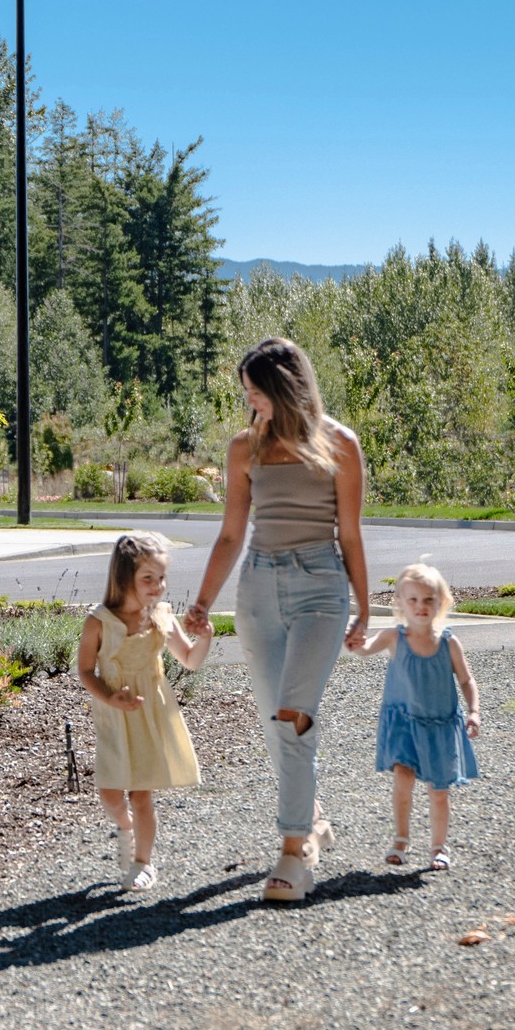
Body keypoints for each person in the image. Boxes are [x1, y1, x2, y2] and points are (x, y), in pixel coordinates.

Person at [184, 337, 371, 902]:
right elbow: (231, 533)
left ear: (285, 390)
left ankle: (295, 855)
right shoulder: (245, 448)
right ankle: (311, 816)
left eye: (257, 393)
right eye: (247, 394)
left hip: (320, 588)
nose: (251, 403)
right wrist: (201, 602)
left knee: (292, 717)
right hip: (258, 589)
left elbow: (352, 535)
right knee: (275, 722)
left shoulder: (341, 444)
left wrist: (364, 607)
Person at [77, 531, 210, 892]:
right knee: (110, 792)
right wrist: (110, 698)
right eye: (147, 579)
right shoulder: (99, 621)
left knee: (141, 793)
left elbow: (190, 660)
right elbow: (86, 670)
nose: (157, 586)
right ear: (124, 578)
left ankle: (143, 863)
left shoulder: (162, 617)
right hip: (114, 714)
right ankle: (126, 828)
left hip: (149, 714)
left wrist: (206, 638)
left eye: (161, 578)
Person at [354, 562, 480, 871]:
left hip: (438, 727)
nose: (420, 606)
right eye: (412, 600)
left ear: (441, 602)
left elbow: (466, 679)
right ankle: (400, 840)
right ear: (399, 603)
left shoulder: (448, 643)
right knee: (402, 779)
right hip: (404, 725)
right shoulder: (393, 637)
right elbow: (366, 648)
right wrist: (356, 643)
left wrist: (474, 711)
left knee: (438, 792)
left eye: (428, 600)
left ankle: (439, 846)